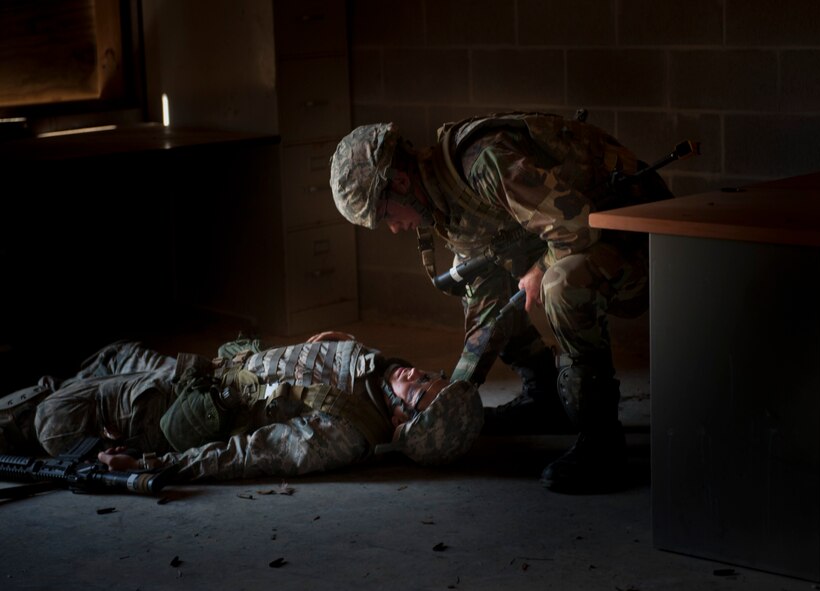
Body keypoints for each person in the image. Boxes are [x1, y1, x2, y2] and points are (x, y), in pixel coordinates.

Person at [329, 111, 673, 493]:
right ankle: (545, 397)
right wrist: (455, 393)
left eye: (385, 215)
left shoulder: (484, 163)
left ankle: (602, 438)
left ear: (401, 183)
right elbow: (485, 305)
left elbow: (576, 224)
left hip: (642, 236)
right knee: (485, 282)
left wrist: (541, 268)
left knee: (560, 283)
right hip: (589, 234)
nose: (393, 227)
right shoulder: (446, 203)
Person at [0, 333, 483, 482]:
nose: (413, 375)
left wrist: (154, 466)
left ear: (402, 426)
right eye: (430, 375)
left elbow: (249, 453)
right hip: (193, 373)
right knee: (109, 356)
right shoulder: (374, 368)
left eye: (418, 393)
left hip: (164, 412)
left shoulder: (345, 431)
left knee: (51, 422)